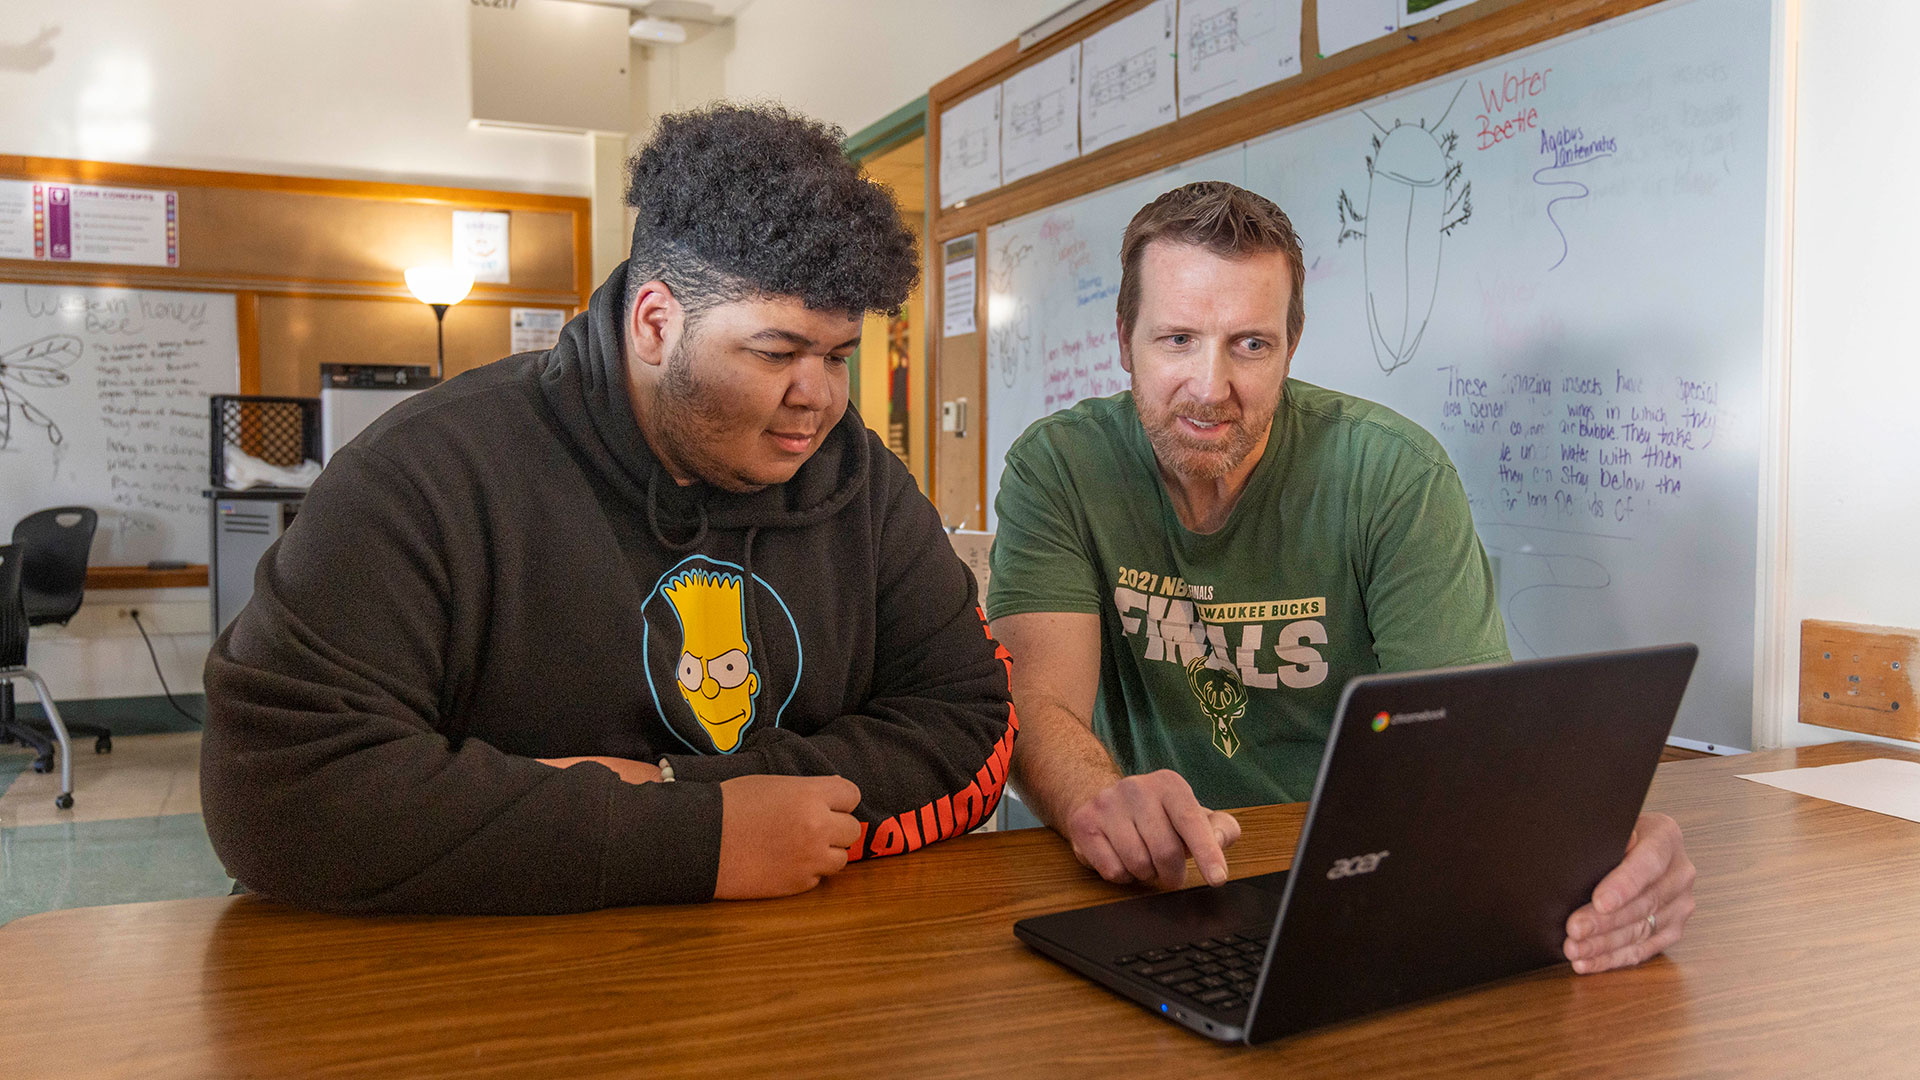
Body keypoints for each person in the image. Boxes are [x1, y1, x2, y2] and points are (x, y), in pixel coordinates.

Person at [201, 104, 1017, 915]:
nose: (820, 399)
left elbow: (965, 719)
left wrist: (684, 791)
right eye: (776, 353)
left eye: (839, 355)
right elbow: (281, 791)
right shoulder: (427, 473)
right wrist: (700, 835)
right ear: (656, 323)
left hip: (785, 974)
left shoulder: (858, 480)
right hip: (472, 987)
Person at [986, 181, 1693, 974]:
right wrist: (1096, 802)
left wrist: (1593, 839)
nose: (1211, 386)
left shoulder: (1393, 475)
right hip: (1135, 889)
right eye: (1177, 339)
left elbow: (1466, 734)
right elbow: (1035, 704)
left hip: (1349, 883)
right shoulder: (1060, 468)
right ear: (1124, 341)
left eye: (1250, 344)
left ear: (1292, 344)